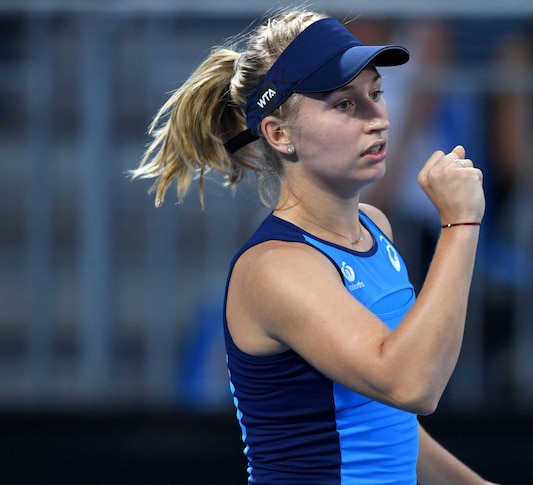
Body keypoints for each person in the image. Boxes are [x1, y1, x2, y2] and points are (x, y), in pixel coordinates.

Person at [131, 9, 492, 484]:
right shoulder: (274, 269)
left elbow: (387, 422)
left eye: (377, 93)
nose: (378, 118)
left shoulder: (374, 226)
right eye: (344, 104)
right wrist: (460, 223)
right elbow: (411, 385)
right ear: (280, 135)